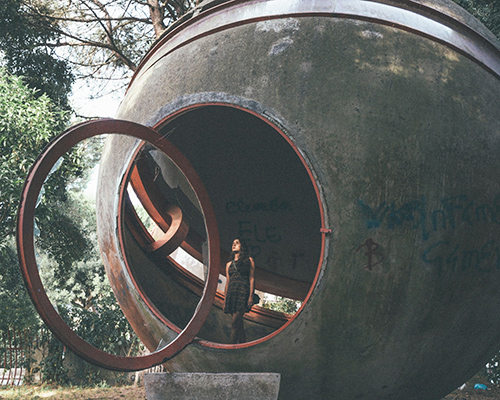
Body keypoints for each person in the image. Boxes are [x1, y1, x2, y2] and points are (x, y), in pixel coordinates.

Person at [223, 238, 256, 344]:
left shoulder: (249, 260)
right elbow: (227, 282)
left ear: (242, 246)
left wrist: (250, 296)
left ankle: (230, 348)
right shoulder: (229, 264)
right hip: (232, 295)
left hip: (243, 294)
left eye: (237, 243)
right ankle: (243, 342)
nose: (234, 245)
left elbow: (252, 278)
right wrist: (225, 300)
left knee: (234, 322)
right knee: (238, 322)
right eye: (233, 243)